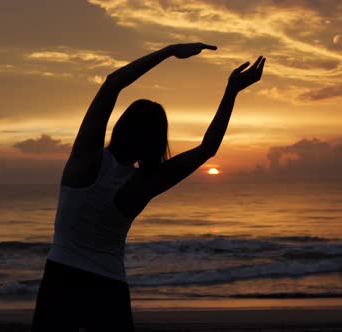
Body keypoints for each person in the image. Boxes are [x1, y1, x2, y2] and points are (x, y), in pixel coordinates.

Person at [32, 43, 265, 331]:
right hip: (109, 285)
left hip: (61, 278)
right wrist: (232, 91)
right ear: (156, 142)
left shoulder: (85, 159)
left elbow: (113, 83)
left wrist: (168, 52)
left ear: (122, 126)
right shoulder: (143, 182)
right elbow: (208, 148)